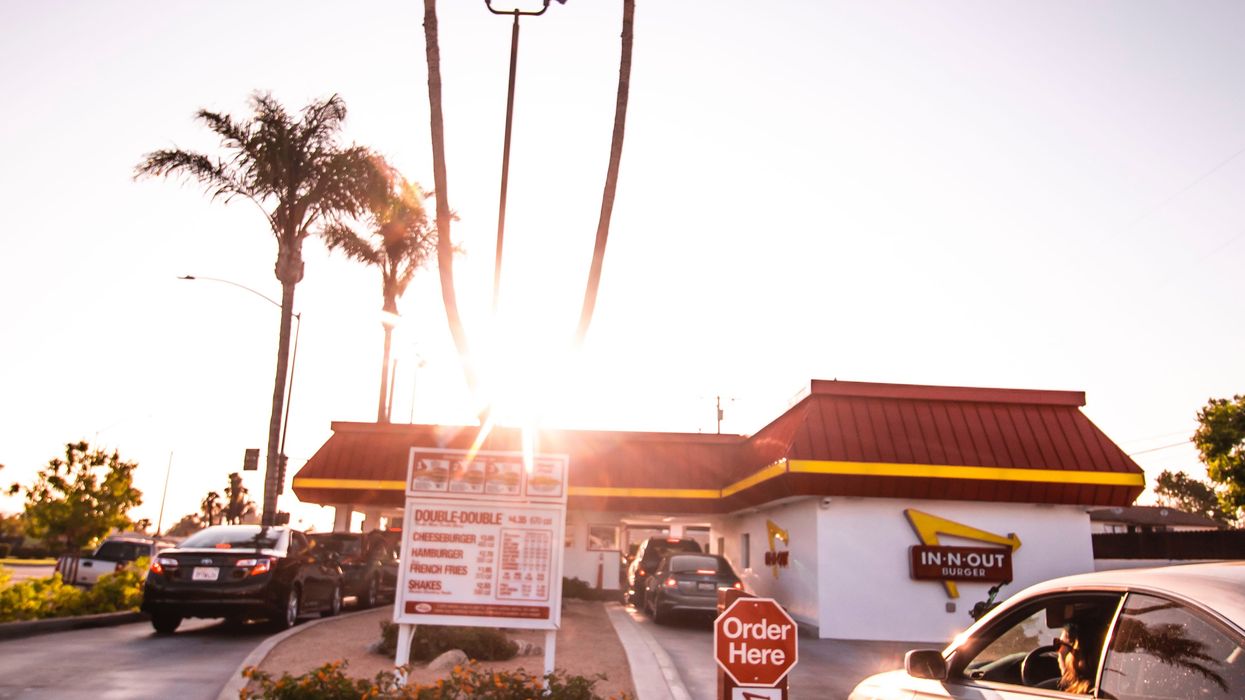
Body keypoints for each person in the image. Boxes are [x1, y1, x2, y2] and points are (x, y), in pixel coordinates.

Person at [1054, 622, 1094, 694]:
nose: (1059, 652)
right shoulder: (1102, 685)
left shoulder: (1088, 691)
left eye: (1060, 644)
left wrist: (1065, 672)